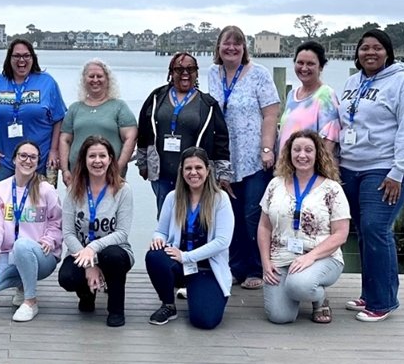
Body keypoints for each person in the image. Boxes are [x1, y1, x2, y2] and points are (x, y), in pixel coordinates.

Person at [338, 29, 404, 322]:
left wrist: (398, 171)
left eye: (377, 48)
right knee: (363, 231)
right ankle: (370, 293)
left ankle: (384, 301)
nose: (370, 53)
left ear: (388, 52)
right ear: (357, 53)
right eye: (364, 48)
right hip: (351, 166)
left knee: (376, 228)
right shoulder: (352, 82)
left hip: (385, 167)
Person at [0, 38, 66, 276]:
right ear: (9, 58)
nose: (21, 60)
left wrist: (56, 151)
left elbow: (59, 117)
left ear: (33, 58)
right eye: (16, 56)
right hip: (7, 160)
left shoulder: (47, 83)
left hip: (41, 160)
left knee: (42, 210)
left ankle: (38, 256)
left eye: (26, 55)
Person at [206, 26, 280, 291]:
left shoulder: (258, 74)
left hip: (254, 157)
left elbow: (271, 114)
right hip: (225, 158)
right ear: (218, 47)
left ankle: (257, 267)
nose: (232, 48)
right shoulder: (212, 74)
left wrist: (267, 148)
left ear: (245, 48)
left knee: (253, 213)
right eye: (227, 43)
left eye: (238, 44)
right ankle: (236, 267)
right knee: (230, 215)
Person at [259, 130, 350, 324]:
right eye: (297, 150)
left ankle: (318, 297)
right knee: (280, 317)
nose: (302, 155)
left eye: (308, 150)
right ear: (288, 153)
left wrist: (311, 256)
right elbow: (264, 227)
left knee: (299, 285)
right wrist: (266, 263)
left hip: (320, 257)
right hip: (281, 258)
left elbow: (341, 234)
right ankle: (295, 291)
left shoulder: (332, 189)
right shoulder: (275, 184)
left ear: (317, 154)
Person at [145, 147, 234, 330]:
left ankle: (197, 291)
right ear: (182, 172)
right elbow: (161, 231)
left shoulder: (220, 199)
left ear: (208, 171)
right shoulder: (173, 198)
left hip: (207, 267)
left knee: (205, 321)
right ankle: (168, 305)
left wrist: (187, 257)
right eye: (188, 168)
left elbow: (222, 242)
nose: (193, 173)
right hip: (180, 265)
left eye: (198, 168)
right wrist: (157, 239)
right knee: (154, 255)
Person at [0, 141, 62, 322]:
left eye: (33, 157)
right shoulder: (1, 188)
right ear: (14, 159)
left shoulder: (46, 189)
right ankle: (23, 283)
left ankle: (30, 301)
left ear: (38, 162)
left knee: (21, 245)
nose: (27, 161)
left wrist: (50, 239)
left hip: (41, 254)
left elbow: (58, 221)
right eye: (23, 156)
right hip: (9, 253)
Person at [136, 51, 232, 213]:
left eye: (191, 69)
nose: (185, 73)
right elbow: (144, 131)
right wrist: (143, 163)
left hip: (195, 176)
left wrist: (223, 174)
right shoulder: (156, 97)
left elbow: (221, 140)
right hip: (163, 175)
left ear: (197, 74)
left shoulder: (208, 104)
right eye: (179, 70)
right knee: (166, 220)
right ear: (171, 73)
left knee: (193, 221)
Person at [57, 136, 134, 327]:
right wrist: (89, 263)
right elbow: (68, 233)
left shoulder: (123, 190)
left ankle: (116, 309)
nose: (97, 161)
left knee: (112, 256)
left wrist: (93, 248)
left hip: (113, 251)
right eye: (92, 156)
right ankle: (86, 296)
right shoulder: (73, 189)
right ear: (84, 160)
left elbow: (122, 233)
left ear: (110, 159)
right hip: (80, 252)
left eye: (102, 156)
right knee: (67, 277)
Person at [59, 58, 137, 186]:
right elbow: (64, 140)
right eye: (91, 76)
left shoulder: (119, 107)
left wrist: (118, 167)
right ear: (84, 80)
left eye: (99, 76)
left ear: (107, 80)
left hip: (110, 176)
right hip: (78, 175)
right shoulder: (75, 108)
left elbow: (131, 138)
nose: (95, 80)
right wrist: (65, 170)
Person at [277, 41, 342, 154]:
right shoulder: (292, 95)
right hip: (286, 166)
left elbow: (329, 142)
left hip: (307, 168)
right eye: (300, 63)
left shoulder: (326, 96)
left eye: (310, 64)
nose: (304, 68)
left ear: (320, 67)